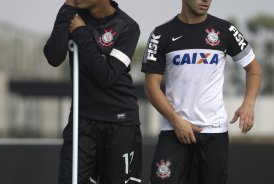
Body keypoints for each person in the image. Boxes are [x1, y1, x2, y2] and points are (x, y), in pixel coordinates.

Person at [141, 0, 262, 184]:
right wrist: (176, 121)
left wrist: (248, 104)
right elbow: (151, 87)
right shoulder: (161, 33)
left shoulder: (225, 30)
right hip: (174, 132)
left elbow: (253, 69)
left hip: (214, 135)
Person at [43, 0, 142, 184]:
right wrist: (65, 9)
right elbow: (53, 57)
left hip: (119, 121)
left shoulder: (128, 26)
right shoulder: (73, 17)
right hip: (82, 120)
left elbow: (106, 76)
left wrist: (81, 33)